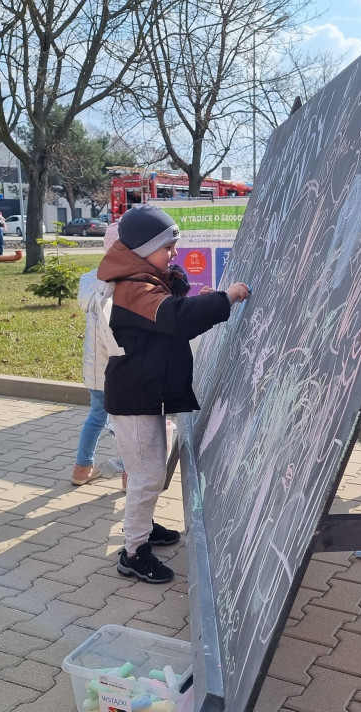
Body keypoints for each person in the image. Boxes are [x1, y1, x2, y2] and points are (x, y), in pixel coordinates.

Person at [98, 204, 250, 584]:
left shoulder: (143, 280)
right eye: (167, 247)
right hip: (133, 401)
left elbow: (174, 321)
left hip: (144, 395)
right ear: (141, 250)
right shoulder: (133, 288)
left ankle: (142, 528)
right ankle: (133, 552)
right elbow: (175, 318)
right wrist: (226, 298)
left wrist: (194, 294)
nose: (174, 254)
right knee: (147, 475)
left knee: (147, 472)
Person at [70, 220, 124, 488]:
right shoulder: (124, 283)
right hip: (119, 367)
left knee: (95, 416)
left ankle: (82, 468)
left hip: (94, 368)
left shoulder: (90, 281)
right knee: (126, 421)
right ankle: (129, 473)